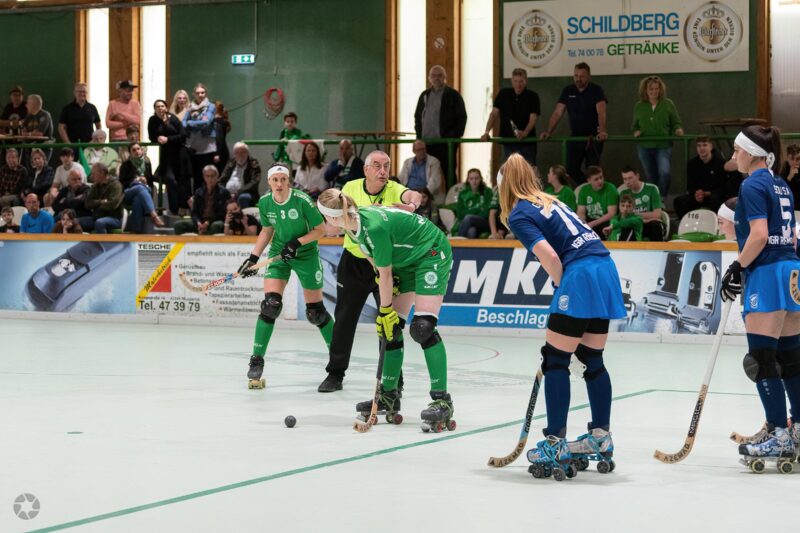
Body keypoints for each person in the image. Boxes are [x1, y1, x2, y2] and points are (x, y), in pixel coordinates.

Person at [498, 153, 625, 479]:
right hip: (604, 266)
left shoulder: (518, 213)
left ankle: (555, 442)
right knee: (591, 359)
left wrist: (560, 285)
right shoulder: (550, 199)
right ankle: (601, 436)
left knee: (555, 360)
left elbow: (551, 258)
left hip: (579, 274)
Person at [317, 188, 456, 431]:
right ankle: (389, 395)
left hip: (431, 252)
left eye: (322, 219)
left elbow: (386, 274)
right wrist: (386, 311)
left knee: (422, 328)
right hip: (406, 258)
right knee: (389, 331)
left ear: (332, 217)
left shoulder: (372, 228)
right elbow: (376, 263)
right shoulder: (354, 225)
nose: (321, 225)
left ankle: (442, 400)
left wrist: (386, 309)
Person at [720, 125, 800, 468]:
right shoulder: (781, 184)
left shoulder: (752, 184)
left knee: (762, 359)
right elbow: (790, 236)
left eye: (737, 150)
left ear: (752, 153)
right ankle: (796, 430)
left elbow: (759, 235)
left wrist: (736, 267)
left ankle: (778, 435)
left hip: (766, 272)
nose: (734, 156)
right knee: (792, 358)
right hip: (791, 269)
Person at [317, 150, 422, 393]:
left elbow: (414, 194)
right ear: (366, 169)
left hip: (384, 263)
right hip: (354, 262)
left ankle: (393, 379)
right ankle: (335, 373)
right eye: (377, 165)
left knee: (390, 321)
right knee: (344, 318)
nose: (382, 171)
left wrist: (411, 205)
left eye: (386, 166)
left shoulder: (394, 189)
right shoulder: (350, 188)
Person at [236, 165, 333, 389]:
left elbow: (321, 230)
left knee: (316, 313)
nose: (279, 184)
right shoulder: (265, 202)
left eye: (283, 179)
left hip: (306, 254)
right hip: (279, 253)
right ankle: (256, 359)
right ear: (269, 182)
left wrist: (297, 242)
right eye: (275, 180)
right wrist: (253, 258)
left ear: (289, 181)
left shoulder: (302, 201)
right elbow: (267, 230)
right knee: (270, 306)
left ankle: (338, 357)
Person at [540, 63, 608, 183]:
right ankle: (586, 187)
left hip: (593, 137)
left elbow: (601, 112)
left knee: (592, 170)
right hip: (576, 136)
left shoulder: (597, 90)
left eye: (582, 76)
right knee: (570, 169)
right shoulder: (568, 90)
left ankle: (591, 187)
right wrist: (548, 131)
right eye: (576, 75)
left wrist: (602, 131)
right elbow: (557, 112)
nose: (578, 79)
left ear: (589, 76)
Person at [632, 75, 684, 197]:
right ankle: (655, 200)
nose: (654, 92)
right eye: (651, 89)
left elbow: (676, 122)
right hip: (644, 146)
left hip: (663, 145)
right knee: (651, 176)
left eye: (656, 89)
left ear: (661, 90)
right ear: (645, 90)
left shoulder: (668, 104)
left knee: (664, 172)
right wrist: (636, 132)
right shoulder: (639, 106)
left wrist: (678, 129)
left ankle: (661, 198)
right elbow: (634, 126)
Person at [414, 65, 467, 182]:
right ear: (429, 78)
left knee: (448, 172)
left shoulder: (453, 95)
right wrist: (419, 137)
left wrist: (453, 136)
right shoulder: (424, 95)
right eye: (434, 75)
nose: (437, 78)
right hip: (426, 144)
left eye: (440, 75)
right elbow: (417, 117)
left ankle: (450, 194)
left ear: (445, 77)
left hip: (446, 143)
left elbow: (461, 117)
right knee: (428, 173)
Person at [481, 68, 540, 165]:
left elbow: (533, 118)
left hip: (527, 143)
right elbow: (494, 114)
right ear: (511, 81)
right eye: (515, 81)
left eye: (521, 81)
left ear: (526, 81)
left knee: (529, 171)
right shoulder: (503, 94)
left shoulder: (533, 96)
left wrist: (524, 133)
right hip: (508, 142)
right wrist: (486, 132)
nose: (518, 84)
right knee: (510, 171)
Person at [148, 99, 190, 214]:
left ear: (166, 108)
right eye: (157, 106)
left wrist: (168, 139)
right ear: (155, 109)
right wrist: (158, 138)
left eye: (162, 106)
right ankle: (173, 209)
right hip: (166, 155)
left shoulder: (172, 118)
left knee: (181, 180)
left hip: (179, 152)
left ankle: (183, 208)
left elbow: (183, 135)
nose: (160, 108)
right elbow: (151, 136)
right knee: (170, 180)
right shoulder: (152, 120)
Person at [674, 136, 727, 219]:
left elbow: (723, 187)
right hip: (698, 196)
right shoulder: (691, 164)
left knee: (716, 201)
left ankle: (718, 223)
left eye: (705, 145)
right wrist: (696, 194)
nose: (701, 148)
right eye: (699, 145)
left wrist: (707, 193)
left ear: (711, 147)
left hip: (713, 196)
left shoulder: (720, 163)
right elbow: (690, 186)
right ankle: (686, 224)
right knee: (679, 201)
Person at [118, 142, 164, 233]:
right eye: (134, 150)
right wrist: (134, 180)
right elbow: (122, 183)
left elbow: (150, 180)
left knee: (138, 199)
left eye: (138, 149)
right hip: (129, 192)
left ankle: (137, 231)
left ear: (141, 150)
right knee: (139, 188)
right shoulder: (125, 165)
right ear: (130, 153)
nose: (137, 151)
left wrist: (145, 180)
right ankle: (154, 215)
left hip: (144, 190)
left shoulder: (147, 163)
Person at [173, 165, 230, 235]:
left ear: (217, 176)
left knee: (216, 226)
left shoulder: (224, 192)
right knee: (178, 225)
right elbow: (194, 212)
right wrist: (198, 222)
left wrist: (208, 222)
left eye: (212, 176)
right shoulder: (198, 192)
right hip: (201, 221)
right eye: (207, 176)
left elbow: (222, 213)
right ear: (204, 177)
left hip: (215, 221)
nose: (210, 179)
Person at [183, 83, 217, 195]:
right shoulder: (190, 107)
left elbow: (206, 122)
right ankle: (197, 200)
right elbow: (183, 123)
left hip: (207, 147)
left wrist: (190, 123)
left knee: (208, 178)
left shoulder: (211, 106)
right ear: (194, 94)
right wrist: (195, 123)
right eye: (198, 93)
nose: (200, 95)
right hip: (193, 147)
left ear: (206, 93)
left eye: (202, 92)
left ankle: (209, 200)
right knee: (196, 178)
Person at [618, 165, 663, 241]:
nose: (627, 182)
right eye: (625, 179)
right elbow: (624, 217)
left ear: (637, 176)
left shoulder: (651, 188)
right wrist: (644, 219)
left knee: (655, 225)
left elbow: (657, 214)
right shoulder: (623, 193)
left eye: (630, 178)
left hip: (650, 225)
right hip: (636, 224)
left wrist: (634, 215)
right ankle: (621, 248)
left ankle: (658, 248)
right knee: (627, 226)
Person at [79, 163, 123, 233]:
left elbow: (112, 205)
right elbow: (87, 204)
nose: (92, 176)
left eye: (94, 174)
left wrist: (95, 205)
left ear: (102, 173)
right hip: (97, 217)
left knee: (100, 223)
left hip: (114, 218)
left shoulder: (116, 185)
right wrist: (101, 201)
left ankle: (103, 241)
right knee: (74, 222)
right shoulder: (95, 186)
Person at [576, 166, 618, 239]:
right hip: (590, 220)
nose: (600, 181)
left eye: (601, 177)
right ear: (589, 181)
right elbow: (581, 212)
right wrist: (583, 223)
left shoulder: (610, 188)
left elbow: (611, 214)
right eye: (596, 179)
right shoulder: (584, 190)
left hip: (605, 221)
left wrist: (592, 224)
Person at [453, 168, 493, 238]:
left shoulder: (487, 192)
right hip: (467, 223)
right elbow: (460, 214)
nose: (474, 181)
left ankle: (458, 240)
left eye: (476, 178)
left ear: (480, 179)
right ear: (468, 180)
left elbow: (486, 213)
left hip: (484, 222)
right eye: (471, 179)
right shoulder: (463, 194)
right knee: (472, 231)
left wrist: (469, 213)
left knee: (468, 218)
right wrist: (478, 209)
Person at [220, 141, 262, 208]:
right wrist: (225, 192)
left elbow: (255, 182)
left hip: (247, 193)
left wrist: (238, 193)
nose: (240, 155)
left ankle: (243, 215)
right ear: (234, 154)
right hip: (228, 193)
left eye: (243, 152)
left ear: (247, 153)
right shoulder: (231, 163)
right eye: (237, 152)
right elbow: (222, 179)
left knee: (243, 198)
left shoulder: (253, 164)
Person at [780, 143, 800, 208]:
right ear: (787, 159)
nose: (794, 162)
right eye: (792, 159)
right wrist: (789, 177)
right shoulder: (784, 169)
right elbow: (780, 190)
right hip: (789, 205)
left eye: (798, 159)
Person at [213, 100, 231, 171]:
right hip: (222, 150)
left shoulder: (217, 122)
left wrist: (217, 153)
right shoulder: (223, 121)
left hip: (218, 151)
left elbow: (219, 138)